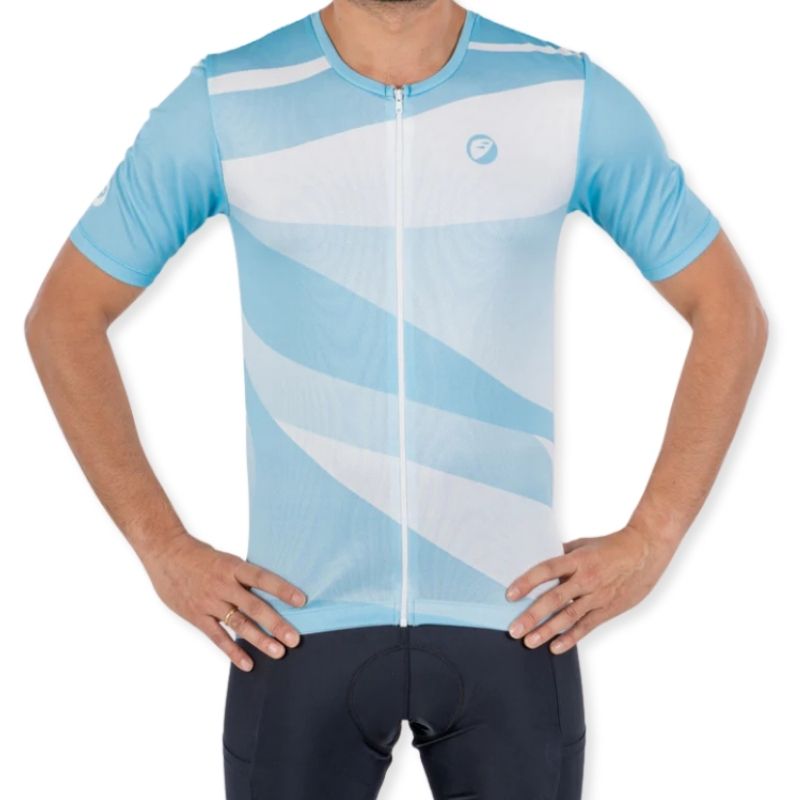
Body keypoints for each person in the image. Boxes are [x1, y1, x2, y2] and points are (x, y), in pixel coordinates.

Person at [24, 1, 767, 798]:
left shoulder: (563, 94)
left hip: (511, 620)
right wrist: (161, 548)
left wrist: (654, 537)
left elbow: (731, 313)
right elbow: (63, 319)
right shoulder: (230, 97)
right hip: (297, 624)